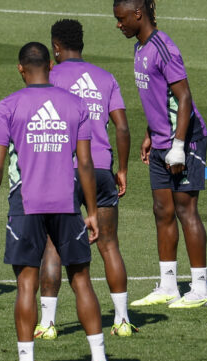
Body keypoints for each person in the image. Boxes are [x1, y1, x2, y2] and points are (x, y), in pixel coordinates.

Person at [0, 42, 119, 361]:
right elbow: (84, 163)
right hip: (67, 204)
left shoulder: (9, 106)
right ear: (49, 67)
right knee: (81, 280)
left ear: (21, 69)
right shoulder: (75, 105)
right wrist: (91, 210)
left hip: (25, 205)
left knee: (26, 283)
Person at [34, 19, 136, 341]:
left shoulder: (50, 77)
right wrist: (122, 169)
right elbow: (121, 127)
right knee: (109, 244)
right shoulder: (105, 78)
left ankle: (47, 324)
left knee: (52, 245)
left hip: (63, 173)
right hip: (102, 170)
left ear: (56, 47)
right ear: (83, 44)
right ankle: (121, 320)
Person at [113, 0, 207, 308]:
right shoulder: (139, 48)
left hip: (184, 141)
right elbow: (159, 97)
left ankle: (201, 289)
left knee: (186, 210)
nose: (119, 25)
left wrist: (179, 146)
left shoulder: (163, 47)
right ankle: (169, 284)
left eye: (122, 18)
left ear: (138, 14)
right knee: (162, 210)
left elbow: (184, 98)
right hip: (159, 141)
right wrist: (148, 135)